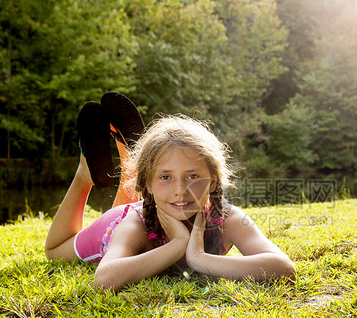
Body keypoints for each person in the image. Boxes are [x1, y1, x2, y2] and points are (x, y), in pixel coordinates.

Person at [45, 92, 296, 291]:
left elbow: (284, 267)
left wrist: (199, 258)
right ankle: (83, 176)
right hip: (115, 225)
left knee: (162, 193)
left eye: (193, 176)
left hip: (152, 200)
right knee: (55, 251)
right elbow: (105, 279)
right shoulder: (134, 224)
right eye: (166, 177)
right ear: (148, 186)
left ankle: (132, 159)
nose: (180, 191)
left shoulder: (225, 217)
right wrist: (177, 245)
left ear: (213, 181)